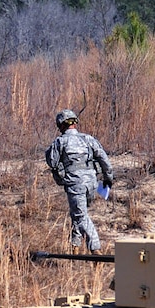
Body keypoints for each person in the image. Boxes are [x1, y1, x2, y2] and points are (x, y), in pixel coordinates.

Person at [45, 109, 113, 254]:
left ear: (61, 125)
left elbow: (51, 161)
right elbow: (103, 158)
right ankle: (74, 246)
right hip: (92, 183)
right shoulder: (88, 139)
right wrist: (108, 178)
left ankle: (95, 249)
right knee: (79, 212)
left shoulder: (60, 141)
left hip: (75, 184)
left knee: (80, 216)